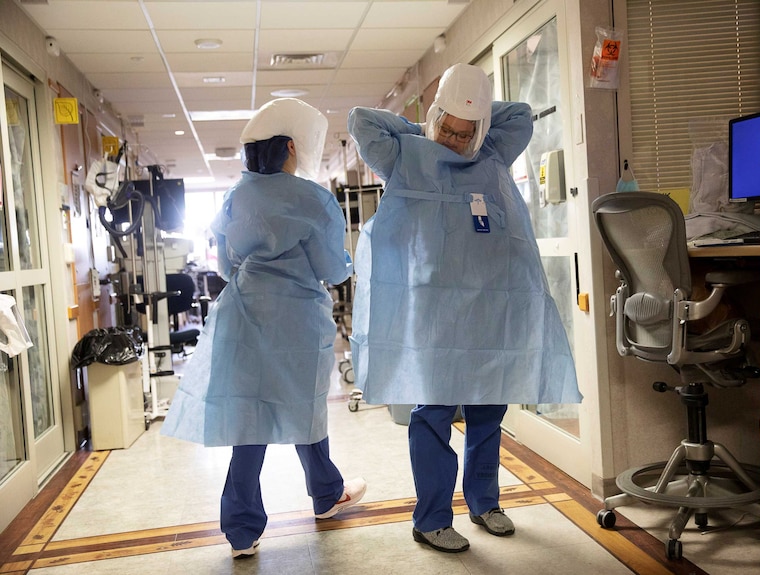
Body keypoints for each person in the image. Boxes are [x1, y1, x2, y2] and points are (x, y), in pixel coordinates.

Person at [347, 63, 580, 553]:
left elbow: (520, 114)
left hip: (489, 309)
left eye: (463, 132)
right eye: (447, 128)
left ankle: (485, 503)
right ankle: (431, 517)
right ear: (434, 119)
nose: (454, 139)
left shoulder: (492, 150)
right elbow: (361, 120)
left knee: (488, 409)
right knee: (432, 412)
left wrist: (474, 109)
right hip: (434, 315)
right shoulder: (405, 153)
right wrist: (427, 126)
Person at [162, 98, 366, 559]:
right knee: (307, 408)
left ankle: (242, 530)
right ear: (291, 147)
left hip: (244, 313)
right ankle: (327, 496)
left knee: (248, 417)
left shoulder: (236, 195)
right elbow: (333, 268)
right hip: (295, 319)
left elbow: (225, 263)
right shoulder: (312, 198)